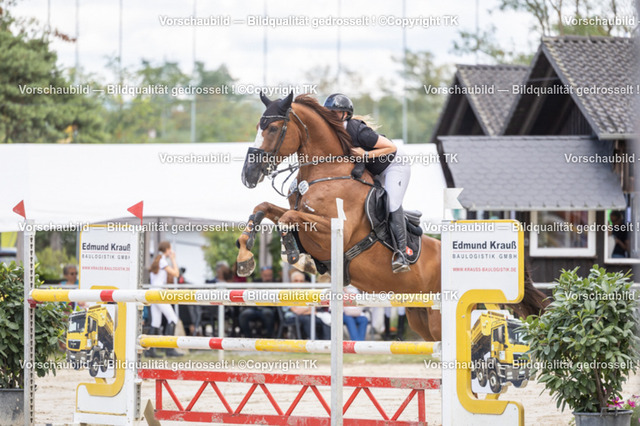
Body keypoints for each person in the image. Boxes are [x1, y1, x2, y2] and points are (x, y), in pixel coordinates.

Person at [324, 93, 411, 273]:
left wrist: (365, 154)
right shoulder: (333, 133)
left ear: (345, 114)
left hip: (394, 164)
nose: (330, 116)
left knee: (391, 204)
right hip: (373, 169)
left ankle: (402, 254)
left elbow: (391, 147)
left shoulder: (358, 130)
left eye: (335, 112)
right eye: (328, 112)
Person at [147, 241, 182, 357]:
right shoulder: (162, 261)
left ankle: (149, 351)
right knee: (173, 319)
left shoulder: (157, 260)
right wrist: (173, 259)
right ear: (167, 249)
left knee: (155, 322)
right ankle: (169, 349)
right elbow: (176, 273)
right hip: (159, 294)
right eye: (170, 249)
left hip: (153, 293)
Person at [284, 271, 331, 340]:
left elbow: (314, 308)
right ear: (291, 282)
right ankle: (314, 342)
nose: (299, 283)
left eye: (301, 281)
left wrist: (308, 309)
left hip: (307, 315)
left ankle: (327, 343)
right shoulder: (286, 294)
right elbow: (296, 311)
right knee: (307, 319)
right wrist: (308, 308)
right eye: (296, 281)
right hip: (292, 317)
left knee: (324, 319)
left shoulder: (306, 293)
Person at [238, 266, 276, 337]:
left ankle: (268, 337)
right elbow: (248, 294)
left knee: (268, 314)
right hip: (254, 308)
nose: (267, 278)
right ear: (261, 275)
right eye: (265, 275)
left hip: (268, 308)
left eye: (269, 275)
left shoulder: (276, 283)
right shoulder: (255, 282)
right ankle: (248, 337)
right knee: (244, 315)